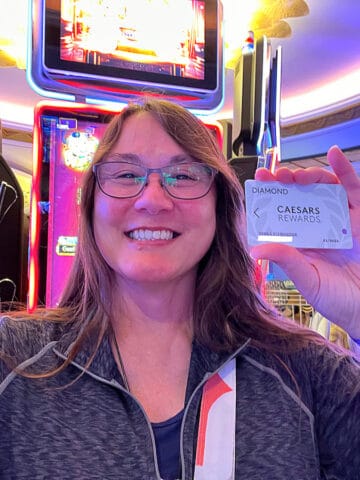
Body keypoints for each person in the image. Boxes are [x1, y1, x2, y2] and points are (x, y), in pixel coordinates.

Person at [0, 98, 359, 480]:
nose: (153, 200)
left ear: (219, 206)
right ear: (90, 205)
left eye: (184, 176)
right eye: (124, 175)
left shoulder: (306, 371)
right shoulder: (13, 360)